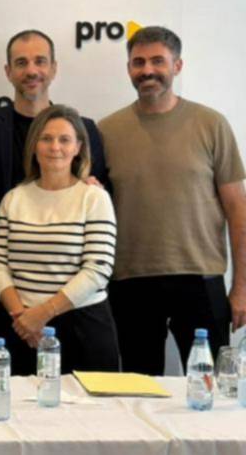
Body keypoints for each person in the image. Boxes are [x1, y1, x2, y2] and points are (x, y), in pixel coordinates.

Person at [99, 26, 246, 374]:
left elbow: (238, 209)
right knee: (138, 391)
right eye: (138, 62)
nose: (147, 70)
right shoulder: (105, 131)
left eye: (158, 61)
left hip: (200, 279)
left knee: (211, 388)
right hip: (129, 282)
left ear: (177, 66)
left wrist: (241, 288)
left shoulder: (211, 124)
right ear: (129, 68)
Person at [0, 29, 109, 369]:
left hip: (76, 310)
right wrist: (22, 313)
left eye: (40, 61)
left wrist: (44, 313)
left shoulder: (86, 130)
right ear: (8, 71)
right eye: (21, 63)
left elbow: (98, 255)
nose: (31, 70)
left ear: (54, 68)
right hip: (5, 301)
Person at [0, 104, 120, 373]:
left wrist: (43, 313)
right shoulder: (13, 198)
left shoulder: (94, 198)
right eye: (46, 138)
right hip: (22, 328)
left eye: (64, 139)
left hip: (83, 327)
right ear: (34, 146)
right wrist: (22, 317)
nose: (55, 147)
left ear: (78, 147)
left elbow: (98, 269)